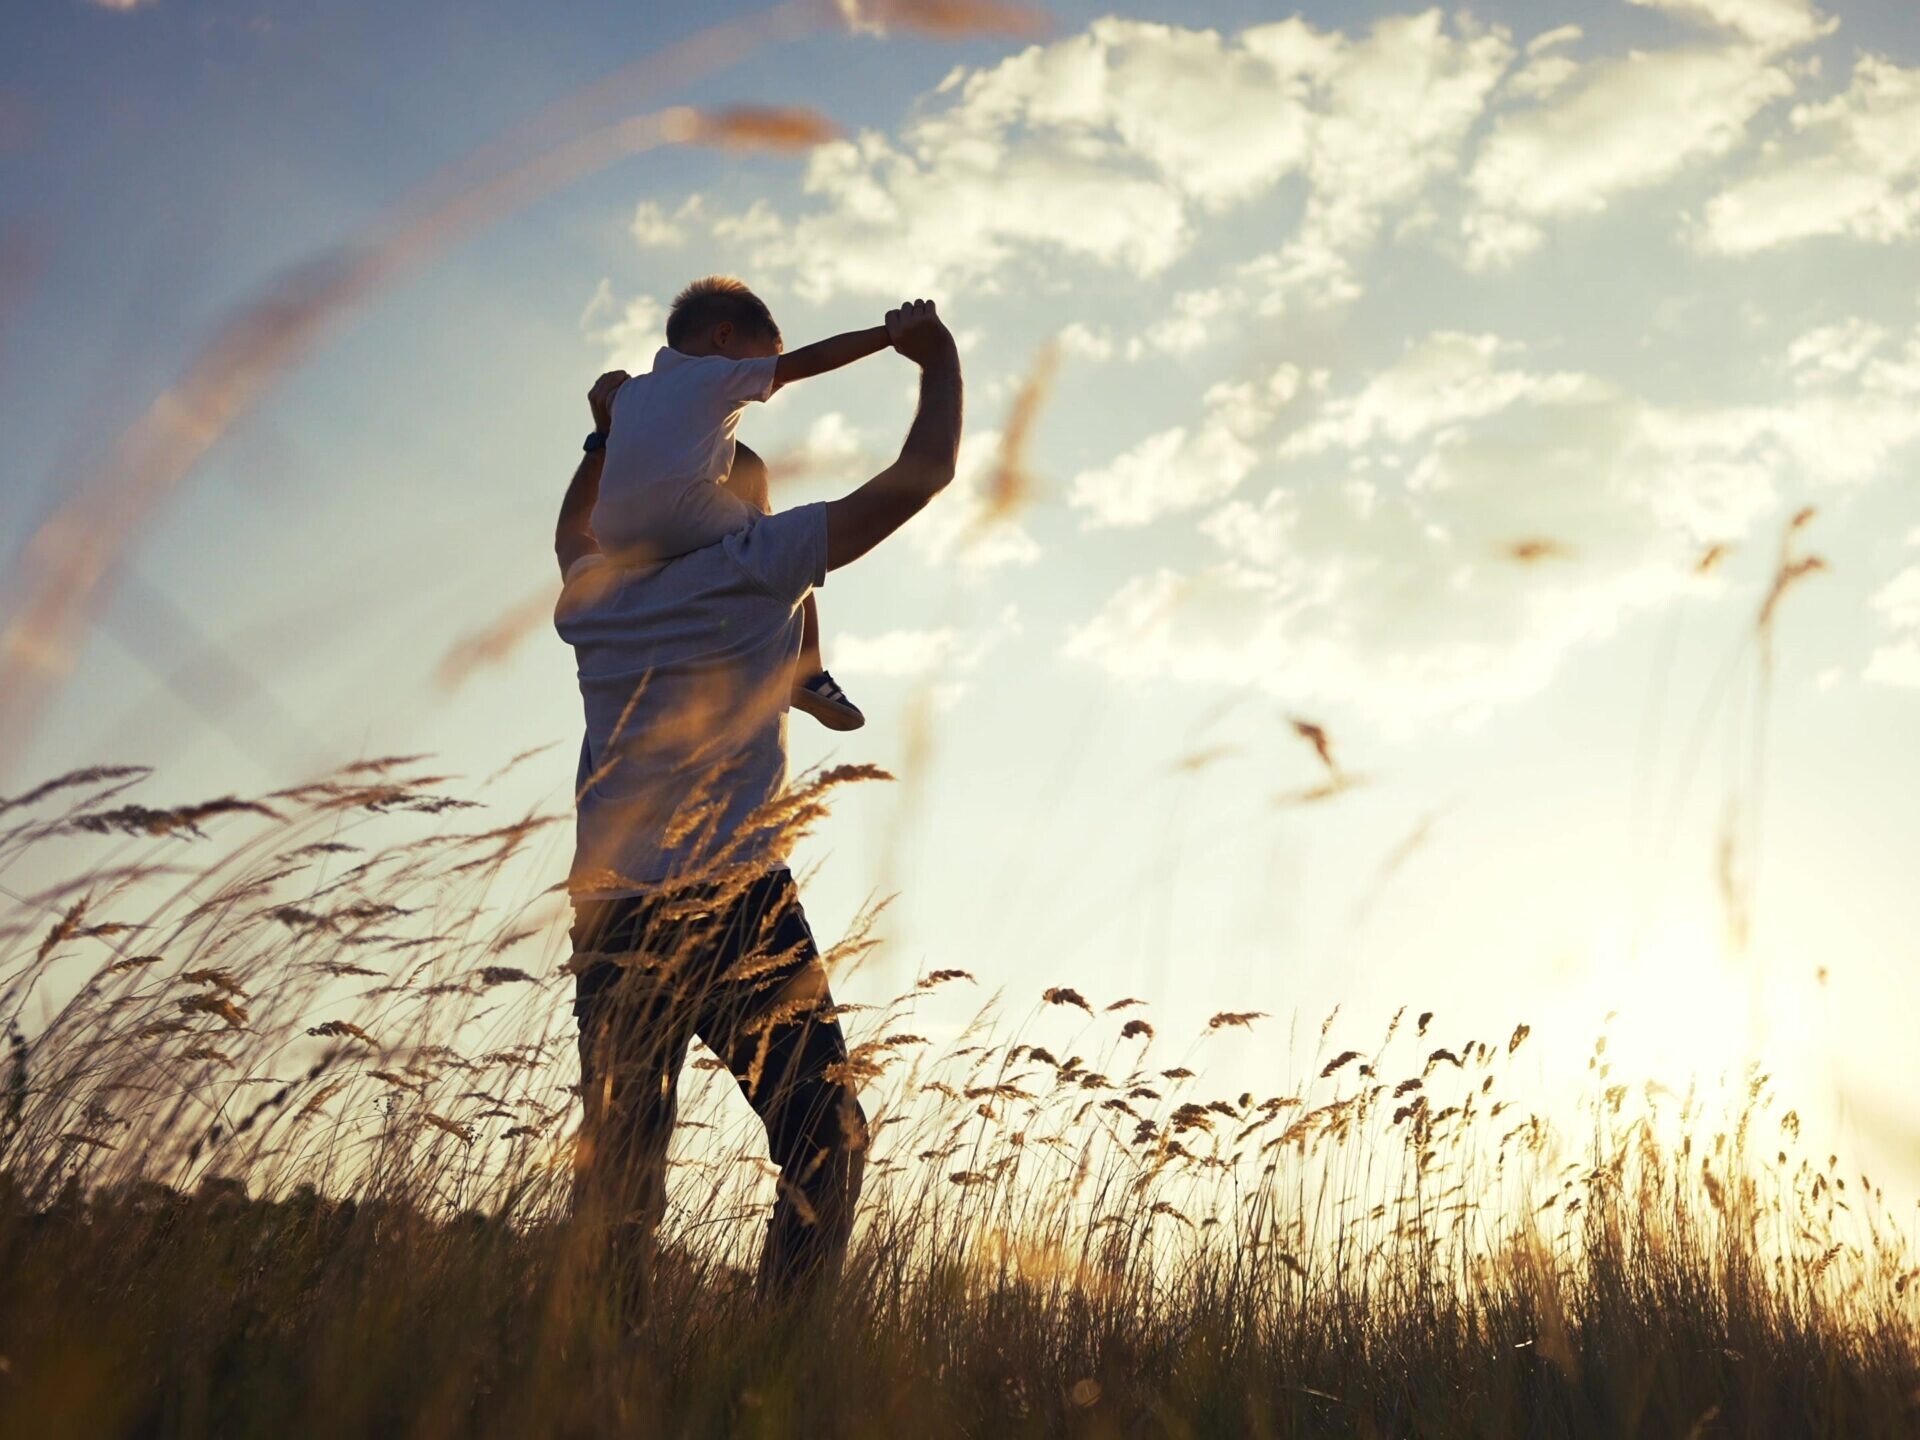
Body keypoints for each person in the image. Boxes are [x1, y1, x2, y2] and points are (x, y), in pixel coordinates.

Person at [552, 297, 962, 1313]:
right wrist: (936, 357)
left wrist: (607, 431)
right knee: (827, 1147)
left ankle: (597, 1395)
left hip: (611, 917)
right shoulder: (753, 566)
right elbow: (922, 478)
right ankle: (767, 1376)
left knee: (617, 1189)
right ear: (734, 503)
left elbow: (572, 524)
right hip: (736, 904)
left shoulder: (588, 596)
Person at [566, 274, 891, 732]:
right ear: (724, 336)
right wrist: (889, 335)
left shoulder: (628, 394)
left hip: (613, 538)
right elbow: (812, 360)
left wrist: (601, 431)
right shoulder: (716, 375)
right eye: (764, 360)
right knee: (781, 536)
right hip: (681, 513)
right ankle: (809, 673)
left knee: (732, 505)